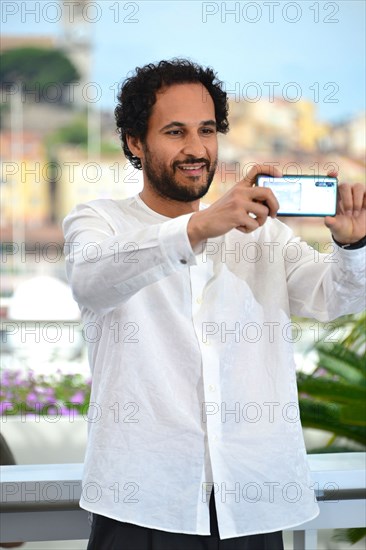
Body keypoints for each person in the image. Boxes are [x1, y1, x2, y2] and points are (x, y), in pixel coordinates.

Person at [63, 59, 366, 550]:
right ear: (135, 142)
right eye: (175, 131)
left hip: (252, 505)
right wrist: (200, 227)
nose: (196, 149)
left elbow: (334, 297)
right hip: (141, 505)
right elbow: (91, 279)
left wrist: (352, 247)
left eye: (207, 130)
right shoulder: (98, 221)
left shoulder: (264, 233)